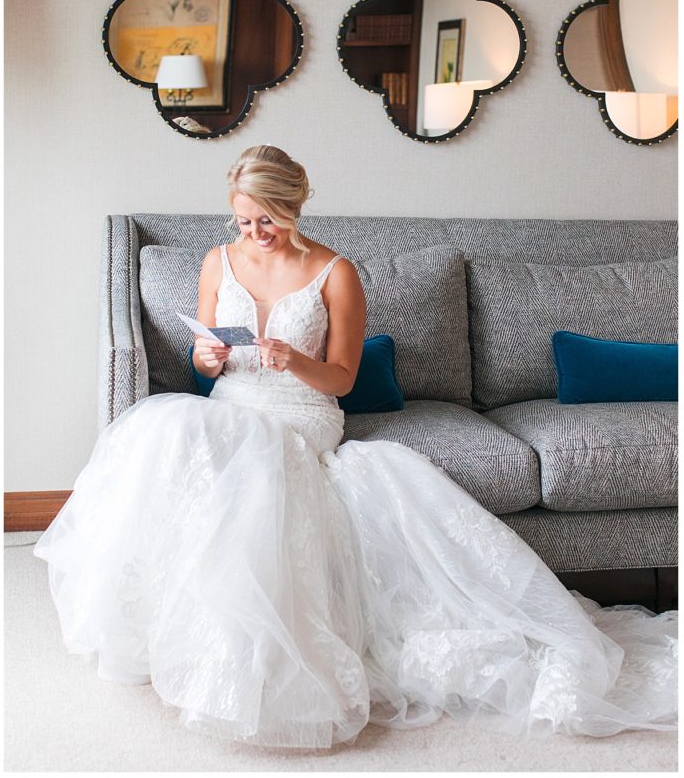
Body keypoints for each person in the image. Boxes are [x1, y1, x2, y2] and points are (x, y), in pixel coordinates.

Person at [34, 145, 677, 748]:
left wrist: (291, 360)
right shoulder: (216, 261)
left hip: (303, 410)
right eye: (242, 220)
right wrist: (207, 357)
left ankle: (267, 657)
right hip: (234, 403)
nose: (252, 234)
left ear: (293, 207)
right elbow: (210, 367)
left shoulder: (335, 274)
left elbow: (340, 378)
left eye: (265, 220)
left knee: (256, 464)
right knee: (165, 432)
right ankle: (191, 636)